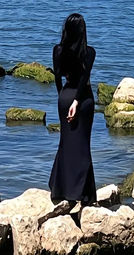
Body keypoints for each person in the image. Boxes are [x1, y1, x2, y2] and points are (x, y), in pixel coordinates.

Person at [48, 12, 97, 209]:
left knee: (66, 143)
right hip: (83, 99)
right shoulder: (90, 52)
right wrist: (76, 101)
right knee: (83, 145)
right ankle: (83, 193)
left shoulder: (57, 50)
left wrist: (64, 98)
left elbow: (57, 78)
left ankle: (60, 188)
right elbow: (84, 80)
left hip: (65, 96)